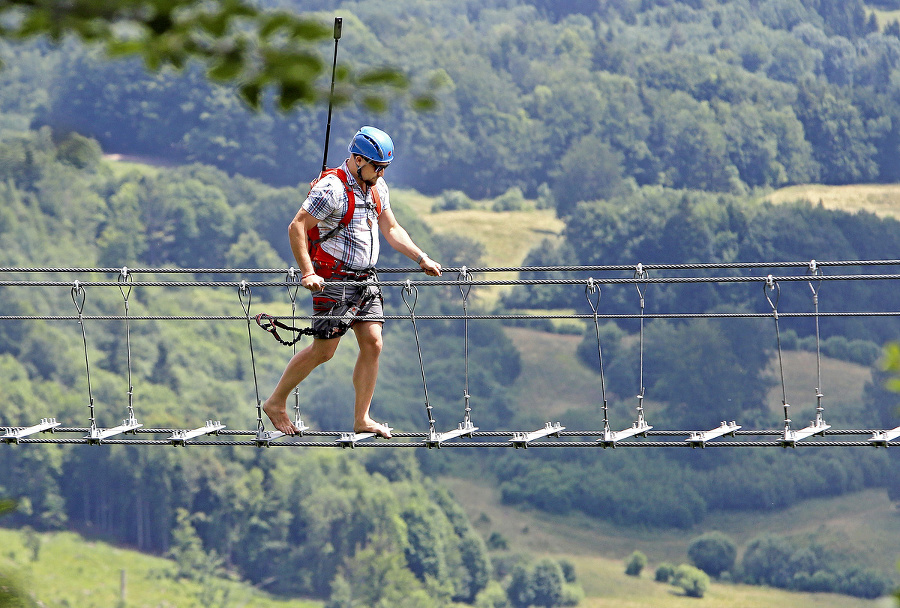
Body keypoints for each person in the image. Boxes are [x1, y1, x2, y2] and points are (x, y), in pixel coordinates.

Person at [263, 126, 442, 438]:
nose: (383, 174)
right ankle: (276, 402)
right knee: (324, 351)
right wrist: (307, 272)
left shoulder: (376, 188)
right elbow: (297, 227)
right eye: (379, 167)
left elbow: (392, 228)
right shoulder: (330, 189)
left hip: (366, 279)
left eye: (385, 168)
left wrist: (421, 257)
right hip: (333, 278)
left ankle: (362, 418)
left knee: (373, 343)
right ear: (359, 160)